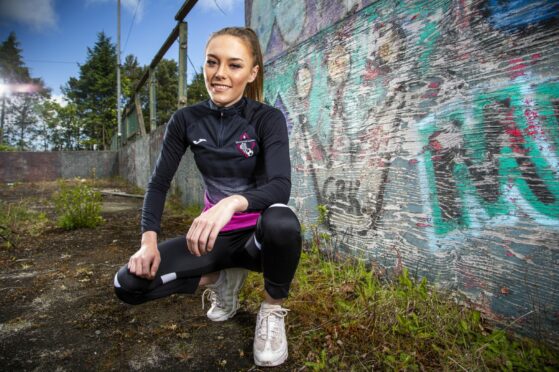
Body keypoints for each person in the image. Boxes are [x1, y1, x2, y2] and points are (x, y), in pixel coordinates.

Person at [113, 27, 302, 367]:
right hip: (213, 242)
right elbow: (158, 184)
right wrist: (148, 241)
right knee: (127, 283)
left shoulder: (266, 119)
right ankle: (223, 279)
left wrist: (230, 204)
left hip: (257, 242)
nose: (220, 74)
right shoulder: (185, 119)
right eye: (212, 63)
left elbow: (279, 186)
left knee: (283, 222)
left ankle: (272, 309)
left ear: (252, 72)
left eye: (234, 65)